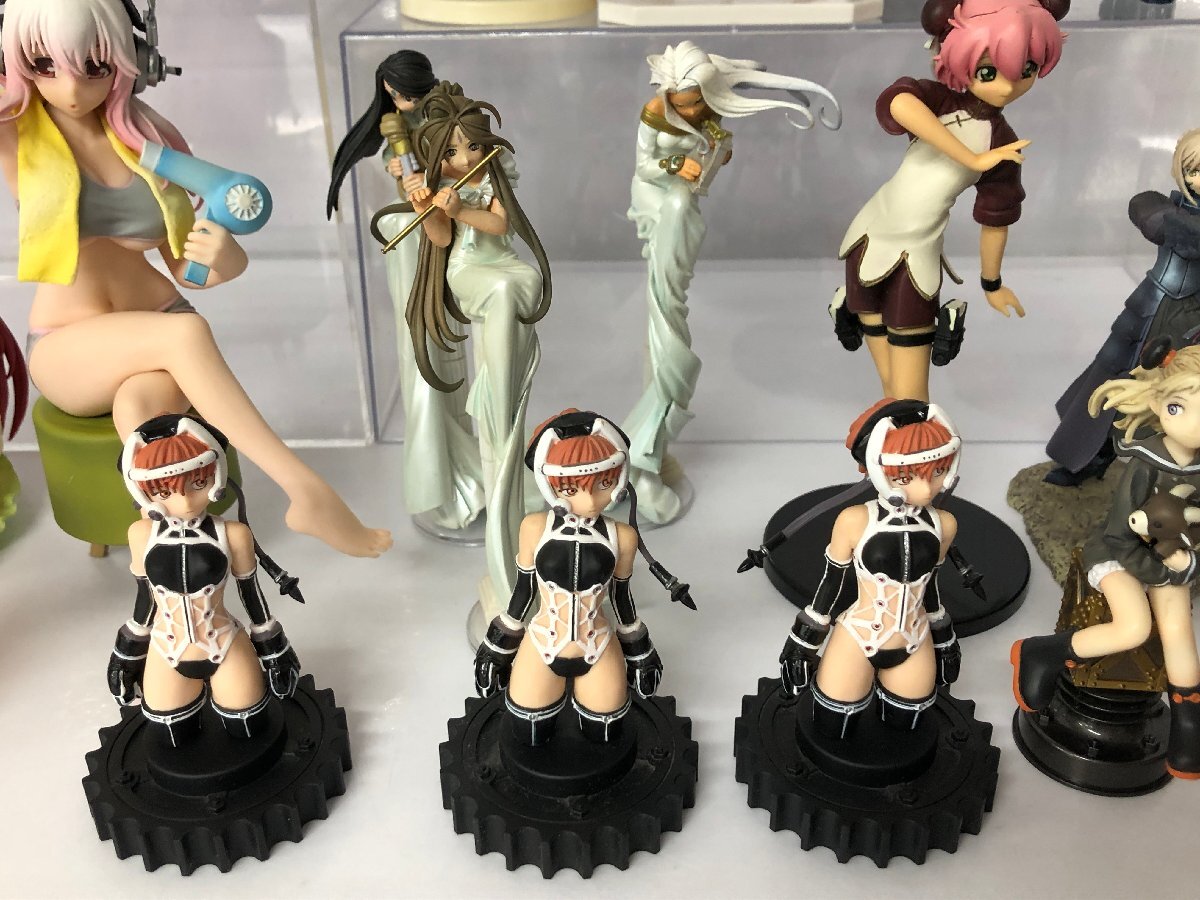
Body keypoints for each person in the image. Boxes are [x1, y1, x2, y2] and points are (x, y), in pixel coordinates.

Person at [0, 0, 390, 557]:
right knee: (185, 335)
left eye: (94, 66)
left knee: (142, 410)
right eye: (45, 65)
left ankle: (170, 549)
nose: (71, 88)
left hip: (162, 328)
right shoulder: (15, 131)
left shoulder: (148, 140)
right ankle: (306, 490)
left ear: (133, 59)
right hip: (69, 345)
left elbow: (189, 268)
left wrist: (227, 256)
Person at [627, 41, 839, 523]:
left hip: (683, 206)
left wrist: (714, 158)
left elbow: (707, 163)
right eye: (680, 102)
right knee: (666, 320)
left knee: (670, 310)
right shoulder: (655, 114)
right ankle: (643, 459)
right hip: (659, 201)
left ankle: (653, 453)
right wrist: (674, 165)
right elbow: (643, 165)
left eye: (694, 102)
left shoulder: (708, 116)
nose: (687, 110)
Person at [832, 0, 1067, 402]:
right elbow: (897, 104)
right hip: (867, 238)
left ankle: (908, 442)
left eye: (1026, 69)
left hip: (916, 260)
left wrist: (992, 283)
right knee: (888, 384)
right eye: (988, 72)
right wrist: (971, 158)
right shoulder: (939, 101)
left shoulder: (1004, 145)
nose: (1007, 86)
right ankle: (889, 446)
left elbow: (996, 218)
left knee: (909, 395)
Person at [1012, 343, 1200, 779]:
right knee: (1134, 626)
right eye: (1179, 406)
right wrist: (1163, 570)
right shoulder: (1146, 465)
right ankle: (1042, 652)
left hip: (1171, 556)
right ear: (1159, 403)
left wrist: (1185, 563)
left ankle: (1188, 724)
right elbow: (1120, 534)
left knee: (1179, 632)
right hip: (1119, 554)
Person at [406, 85, 551, 605]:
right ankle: (495, 403)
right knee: (503, 290)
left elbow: (499, 224)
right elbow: (443, 242)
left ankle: (503, 392)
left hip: (501, 261)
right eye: (451, 152)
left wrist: (461, 208)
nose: (464, 159)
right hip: (469, 272)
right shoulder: (440, 185)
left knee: (518, 280)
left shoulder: (493, 177)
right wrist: (431, 208)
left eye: (471, 146)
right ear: (436, 156)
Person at [473, 409, 693, 744]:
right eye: (572, 488)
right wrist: (497, 646)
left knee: (605, 736)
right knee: (528, 736)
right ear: (550, 485)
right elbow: (523, 593)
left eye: (603, 484)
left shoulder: (623, 537)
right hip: (542, 645)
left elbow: (622, 598)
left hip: (599, 646)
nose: (590, 500)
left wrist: (640, 650)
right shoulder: (534, 528)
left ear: (618, 479)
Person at [107, 414, 302, 746]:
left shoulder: (234, 534)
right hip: (166, 650)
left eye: (197, 483)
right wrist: (127, 652)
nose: (184, 501)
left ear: (216, 475)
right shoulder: (141, 535)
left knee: (251, 732)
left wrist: (275, 651)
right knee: (171, 741)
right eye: (165, 491)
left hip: (226, 646)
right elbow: (146, 600)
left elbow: (252, 597)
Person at [1044, 129, 1200, 486]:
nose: (1198, 179)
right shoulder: (1169, 209)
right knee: (1114, 376)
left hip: (1192, 321)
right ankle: (1090, 457)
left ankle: (1170, 473)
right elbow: (1148, 212)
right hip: (1153, 306)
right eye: (1193, 170)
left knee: (1180, 391)